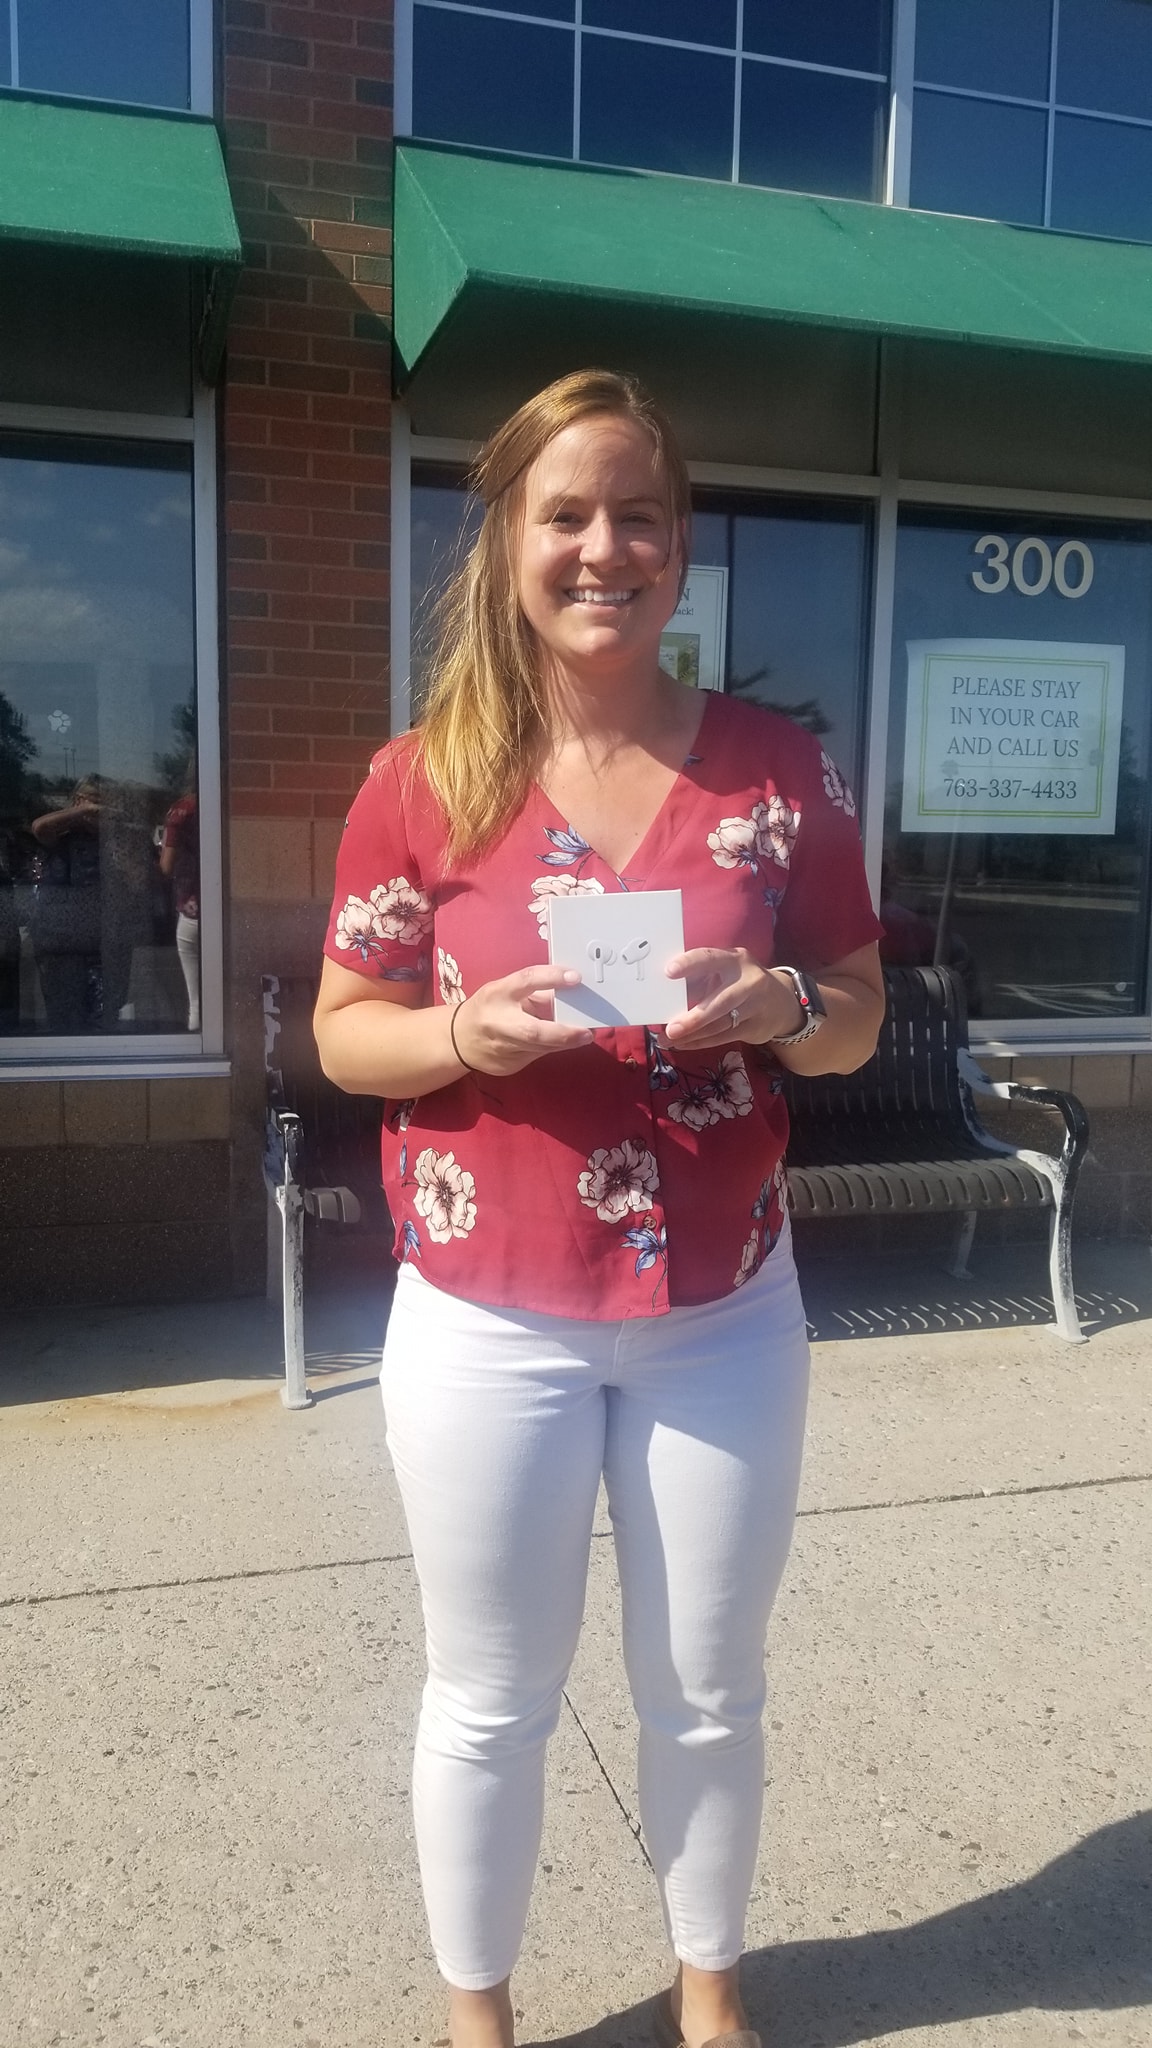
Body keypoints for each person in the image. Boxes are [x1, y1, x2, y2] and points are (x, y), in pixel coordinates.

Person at [314, 370, 885, 2048]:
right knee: (491, 1697)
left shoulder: (778, 772)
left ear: (681, 543)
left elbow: (857, 1011)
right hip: (487, 1311)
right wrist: (460, 1037)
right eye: (565, 514)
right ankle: (478, 2021)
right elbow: (346, 1032)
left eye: (639, 514)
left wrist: (780, 1005)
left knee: (708, 1691)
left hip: (724, 1314)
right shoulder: (421, 780)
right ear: (508, 540)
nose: (603, 548)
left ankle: (711, 1996)